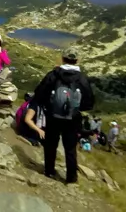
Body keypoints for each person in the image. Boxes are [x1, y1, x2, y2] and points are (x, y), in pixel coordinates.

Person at [33, 47, 94, 184]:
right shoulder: (82, 78)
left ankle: (49, 171)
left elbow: (39, 93)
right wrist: (76, 109)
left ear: (62, 58)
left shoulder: (53, 74)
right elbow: (89, 102)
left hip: (53, 116)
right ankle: (71, 178)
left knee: (50, 144)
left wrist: (48, 106)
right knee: (70, 148)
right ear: (77, 60)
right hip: (72, 118)